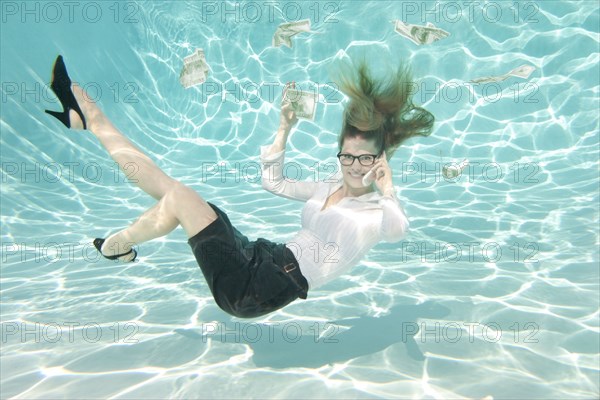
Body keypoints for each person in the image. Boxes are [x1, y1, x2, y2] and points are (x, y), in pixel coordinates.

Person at [44, 55, 433, 319]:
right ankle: (89, 119)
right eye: (347, 156)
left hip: (257, 290)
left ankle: (115, 245)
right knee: (173, 190)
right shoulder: (332, 183)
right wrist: (284, 128)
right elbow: (274, 182)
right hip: (260, 254)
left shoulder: (376, 212)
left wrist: (388, 189)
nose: (354, 167)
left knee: (178, 197)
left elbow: (397, 232)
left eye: (366, 159)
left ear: (381, 160)